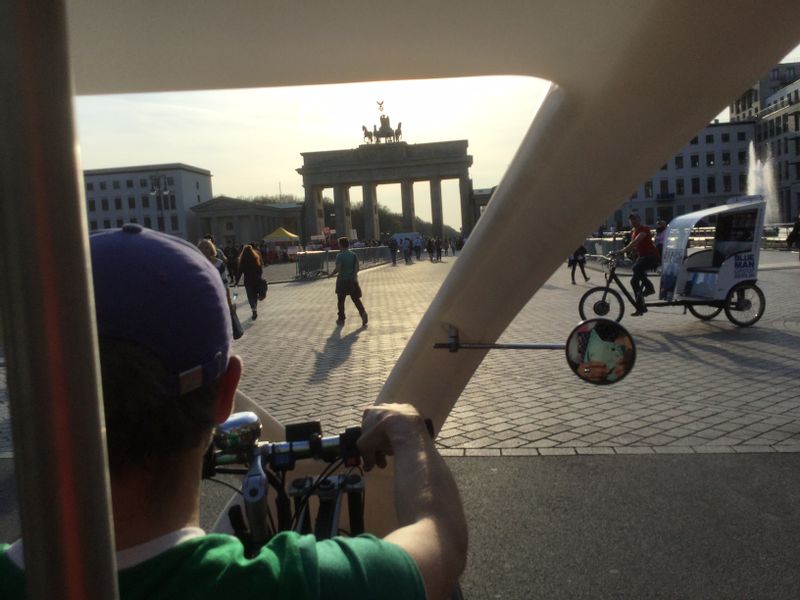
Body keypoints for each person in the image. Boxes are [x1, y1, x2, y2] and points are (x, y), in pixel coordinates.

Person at [0, 225, 467, 600]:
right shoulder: (294, 585)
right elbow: (441, 541)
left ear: (32, 393)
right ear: (228, 393)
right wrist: (408, 433)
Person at [615, 213, 660, 316]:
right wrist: (629, 253)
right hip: (643, 257)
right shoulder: (634, 232)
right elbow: (635, 246)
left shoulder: (644, 229)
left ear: (639, 220)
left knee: (636, 268)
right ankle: (641, 308)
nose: (633, 221)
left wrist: (623, 250)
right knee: (634, 281)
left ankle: (650, 288)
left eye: (635, 219)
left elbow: (636, 241)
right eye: (631, 220)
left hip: (652, 256)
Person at [330, 236, 368, 327]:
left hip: (342, 280)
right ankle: (363, 313)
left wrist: (331, 274)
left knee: (341, 300)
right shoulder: (353, 255)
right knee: (355, 299)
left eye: (339, 244)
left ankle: (341, 317)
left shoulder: (340, 255)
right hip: (352, 280)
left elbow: (338, 268)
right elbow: (357, 268)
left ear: (341, 245)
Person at [237, 244, 263, 320]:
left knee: (250, 295)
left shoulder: (243, 260)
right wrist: (259, 276)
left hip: (248, 281)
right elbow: (260, 269)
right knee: (255, 295)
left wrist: (236, 282)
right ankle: (255, 308)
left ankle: (253, 308)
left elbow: (240, 272)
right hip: (256, 279)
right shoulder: (256, 258)